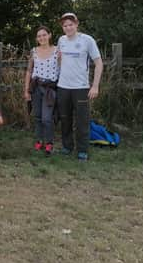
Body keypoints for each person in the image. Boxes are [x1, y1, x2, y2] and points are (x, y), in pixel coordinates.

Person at [56, 13, 103, 162]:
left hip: (81, 88)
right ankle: (67, 147)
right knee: (65, 119)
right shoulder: (61, 40)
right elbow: (59, 61)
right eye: (65, 25)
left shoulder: (87, 40)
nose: (68, 27)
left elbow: (99, 63)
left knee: (82, 121)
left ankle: (82, 150)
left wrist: (95, 86)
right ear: (62, 28)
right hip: (63, 87)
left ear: (76, 24)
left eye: (70, 24)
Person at [23, 26, 59, 156]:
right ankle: (39, 140)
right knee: (37, 116)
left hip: (50, 89)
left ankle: (49, 143)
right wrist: (26, 90)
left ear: (49, 35)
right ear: (36, 39)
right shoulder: (34, 51)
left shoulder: (57, 51)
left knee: (47, 118)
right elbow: (29, 71)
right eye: (39, 36)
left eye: (44, 35)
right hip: (36, 87)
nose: (42, 38)